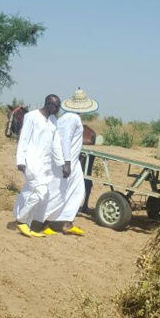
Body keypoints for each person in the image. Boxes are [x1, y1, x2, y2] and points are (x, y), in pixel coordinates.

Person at [42, 88, 99, 235]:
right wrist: (67, 163)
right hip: (67, 161)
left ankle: (67, 222)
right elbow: (65, 140)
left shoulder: (69, 117)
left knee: (76, 191)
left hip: (71, 161)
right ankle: (44, 222)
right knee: (58, 190)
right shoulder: (72, 119)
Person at [14, 94, 70, 237]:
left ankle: (27, 224)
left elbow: (56, 144)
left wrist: (62, 164)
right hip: (31, 161)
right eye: (56, 106)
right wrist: (20, 160)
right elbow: (24, 138)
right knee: (40, 193)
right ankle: (21, 220)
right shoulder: (32, 116)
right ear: (48, 104)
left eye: (59, 107)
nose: (58, 109)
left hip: (45, 165)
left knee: (31, 192)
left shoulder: (53, 121)